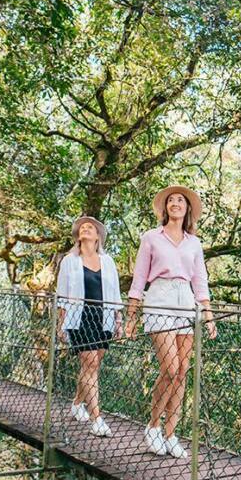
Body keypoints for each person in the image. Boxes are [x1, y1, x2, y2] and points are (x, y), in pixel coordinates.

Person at [124, 185, 217, 458]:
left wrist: (208, 315)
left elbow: (200, 281)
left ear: (187, 209)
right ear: (165, 209)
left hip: (186, 302)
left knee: (183, 371)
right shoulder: (151, 237)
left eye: (181, 200)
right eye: (171, 200)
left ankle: (171, 433)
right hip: (159, 298)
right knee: (171, 367)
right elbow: (139, 278)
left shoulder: (194, 243)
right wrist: (132, 315)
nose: (175, 203)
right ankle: (153, 426)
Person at [55, 216, 122, 438]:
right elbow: (62, 294)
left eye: (90, 227)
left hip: (103, 318)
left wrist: (118, 319)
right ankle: (97, 419)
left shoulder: (109, 261)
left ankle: (77, 403)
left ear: (98, 236)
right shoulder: (69, 261)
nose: (85, 228)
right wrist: (61, 323)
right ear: (78, 235)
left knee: (92, 365)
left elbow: (115, 293)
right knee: (90, 362)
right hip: (79, 317)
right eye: (82, 227)